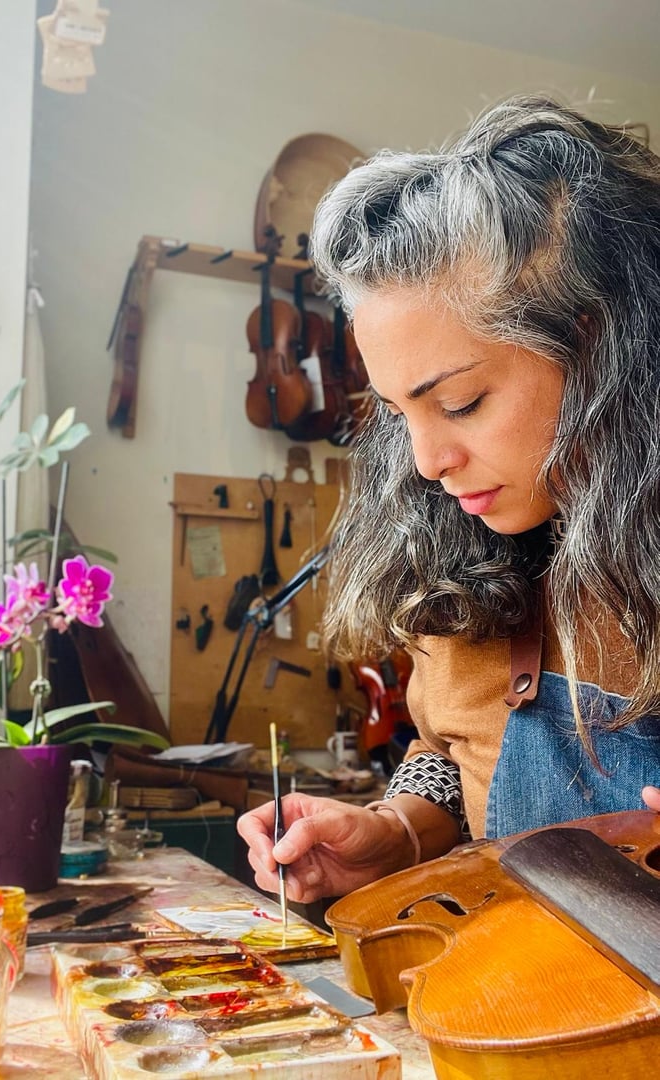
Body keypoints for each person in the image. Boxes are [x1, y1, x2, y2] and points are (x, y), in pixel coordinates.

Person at [237, 94, 660, 905]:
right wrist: (393, 832)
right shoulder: (473, 550)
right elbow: (451, 749)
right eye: (402, 415)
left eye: (461, 402)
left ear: (601, 344)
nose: (428, 462)